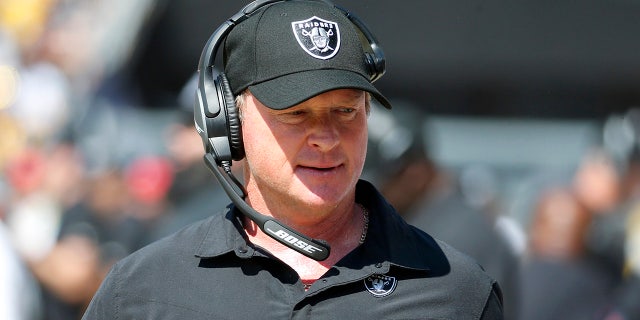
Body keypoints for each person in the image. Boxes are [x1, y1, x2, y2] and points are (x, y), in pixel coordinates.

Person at [82, 1, 503, 319]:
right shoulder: (141, 290)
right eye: (295, 113)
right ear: (229, 122)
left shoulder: (455, 289)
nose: (325, 138)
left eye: (346, 110)